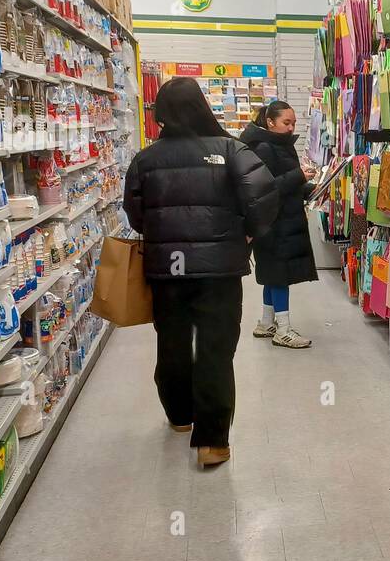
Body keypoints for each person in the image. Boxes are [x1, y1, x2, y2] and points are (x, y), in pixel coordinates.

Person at [123, 77, 278, 467]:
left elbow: (135, 213)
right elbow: (263, 195)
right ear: (202, 107)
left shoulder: (145, 159)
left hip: (166, 268)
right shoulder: (230, 150)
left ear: (161, 113)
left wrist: (163, 233)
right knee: (215, 349)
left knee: (171, 341)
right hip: (219, 270)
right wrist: (246, 232)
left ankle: (179, 416)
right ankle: (211, 443)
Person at [240, 100, 319, 348]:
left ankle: (266, 322)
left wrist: (308, 188)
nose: (291, 128)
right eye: (286, 123)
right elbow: (266, 188)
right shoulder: (264, 148)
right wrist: (298, 177)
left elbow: (284, 184)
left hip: (279, 220)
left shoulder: (278, 145)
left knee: (271, 273)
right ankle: (283, 330)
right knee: (279, 275)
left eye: (294, 123)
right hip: (274, 222)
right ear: (270, 122)